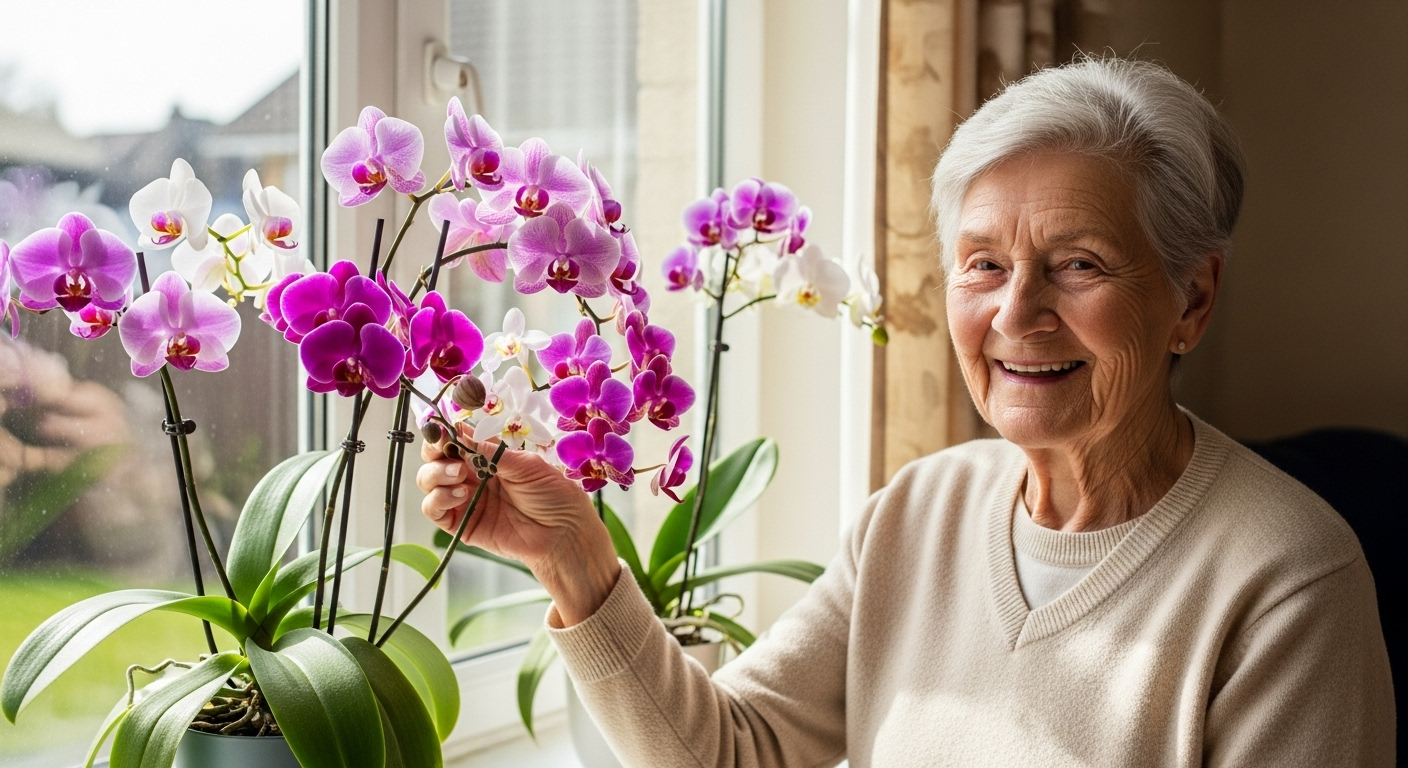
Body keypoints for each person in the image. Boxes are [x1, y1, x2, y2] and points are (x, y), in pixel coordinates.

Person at [417, 58, 1394, 766]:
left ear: (1191, 298)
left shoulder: (1289, 583)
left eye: (1078, 265)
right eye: (983, 265)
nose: (1016, 313)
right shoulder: (917, 512)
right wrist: (574, 560)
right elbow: (731, 752)